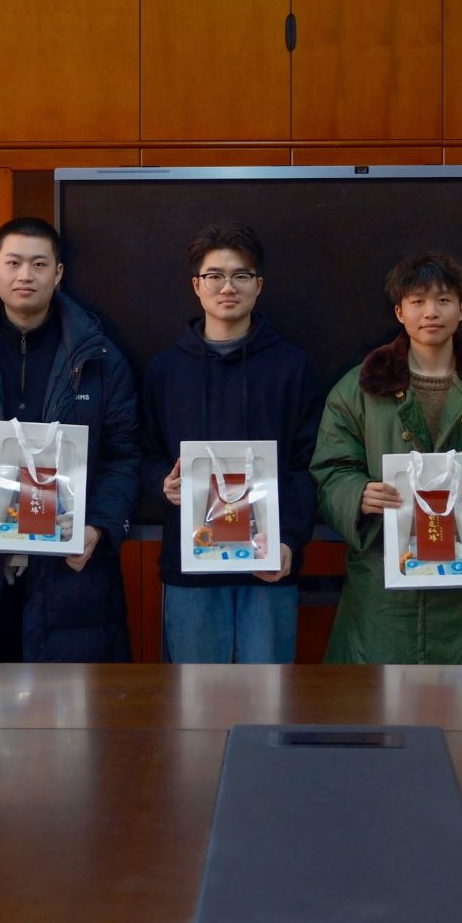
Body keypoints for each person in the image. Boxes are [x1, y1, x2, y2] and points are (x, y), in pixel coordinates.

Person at [0, 217, 139, 715]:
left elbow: (124, 455)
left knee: (67, 722)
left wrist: (100, 527)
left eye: (39, 264)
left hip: (69, 566)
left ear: (58, 273)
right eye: (14, 263)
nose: (25, 275)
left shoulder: (100, 358)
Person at [311, 250, 462, 663]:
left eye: (443, 300)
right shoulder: (360, 388)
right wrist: (357, 494)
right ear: (399, 311)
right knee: (383, 698)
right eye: (418, 301)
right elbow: (330, 469)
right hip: (386, 585)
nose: (431, 312)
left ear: (461, 310)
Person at [141, 222, 322, 663]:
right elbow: (141, 455)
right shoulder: (165, 371)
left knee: (268, 693)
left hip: (268, 562)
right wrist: (161, 484)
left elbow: (308, 463)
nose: (228, 287)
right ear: (196, 286)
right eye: (215, 276)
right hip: (191, 566)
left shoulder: (291, 367)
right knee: (195, 695)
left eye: (241, 275)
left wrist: (290, 541)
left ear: (258, 285)